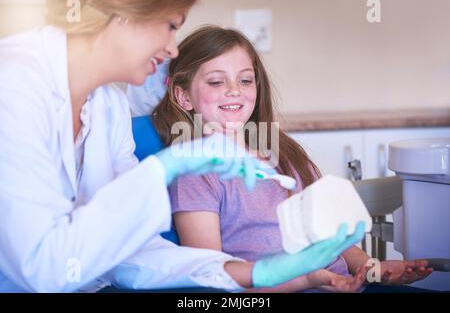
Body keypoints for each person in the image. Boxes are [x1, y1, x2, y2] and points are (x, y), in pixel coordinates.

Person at [0, 0, 364, 293]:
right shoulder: (13, 83)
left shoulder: (108, 107)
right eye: (172, 26)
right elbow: (43, 269)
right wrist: (163, 169)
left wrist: (254, 275)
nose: (173, 49)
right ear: (125, 12)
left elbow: (133, 252)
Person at [152, 26, 433, 292]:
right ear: (183, 96)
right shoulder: (195, 175)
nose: (235, 90)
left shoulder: (287, 155)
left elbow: (336, 239)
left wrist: (373, 269)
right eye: (216, 81)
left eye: (245, 80)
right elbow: (213, 277)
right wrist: (309, 280)